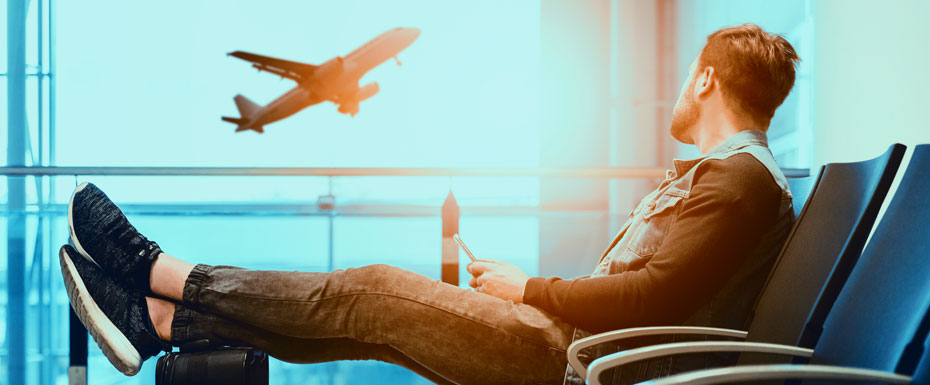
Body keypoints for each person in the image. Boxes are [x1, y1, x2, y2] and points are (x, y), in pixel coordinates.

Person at [59, 23, 800, 384]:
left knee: (372, 291)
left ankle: (158, 274)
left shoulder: (737, 181)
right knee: (368, 317)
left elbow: (655, 294)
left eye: (685, 79)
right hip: (575, 342)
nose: (677, 91)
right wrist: (529, 289)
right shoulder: (729, 178)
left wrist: (529, 288)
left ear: (705, 81)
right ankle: (157, 319)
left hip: (575, 361)